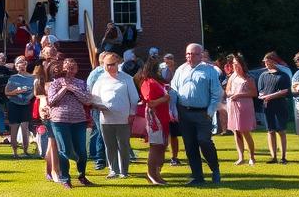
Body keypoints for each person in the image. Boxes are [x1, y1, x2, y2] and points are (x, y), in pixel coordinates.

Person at [168, 43, 223, 186]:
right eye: (187, 54)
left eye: (193, 54)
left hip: (203, 113)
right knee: (190, 145)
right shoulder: (181, 69)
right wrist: (172, 108)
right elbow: (174, 89)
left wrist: (210, 111)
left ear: (200, 55)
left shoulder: (210, 71)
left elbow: (216, 93)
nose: (189, 57)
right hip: (184, 113)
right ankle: (197, 176)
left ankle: (215, 170)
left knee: (204, 141)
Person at [90, 51, 139, 179]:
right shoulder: (100, 80)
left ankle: (124, 171)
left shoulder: (127, 79)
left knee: (123, 145)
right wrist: (98, 105)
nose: (109, 67)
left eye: (112, 64)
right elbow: (94, 97)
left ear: (118, 64)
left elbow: (134, 98)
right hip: (106, 118)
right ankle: (113, 170)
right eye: (106, 65)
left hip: (123, 118)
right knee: (109, 145)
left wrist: (132, 113)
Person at [45, 57, 92, 187]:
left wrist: (73, 89)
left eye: (72, 68)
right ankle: (65, 178)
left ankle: (82, 175)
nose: (69, 71)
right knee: (64, 150)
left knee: (82, 150)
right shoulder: (55, 83)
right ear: (62, 69)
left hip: (79, 120)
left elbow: (88, 100)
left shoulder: (81, 83)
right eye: (67, 68)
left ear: (76, 69)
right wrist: (64, 89)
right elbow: (52, 101)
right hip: (60, 120)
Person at [134, 56, 171, 185]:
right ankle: (151, 175)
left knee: (161, 147)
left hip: (162, 117)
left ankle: (157, 174)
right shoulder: (147, 82)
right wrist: (165, 98)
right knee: (155, 147)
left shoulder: (156, 81)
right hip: (155, 119)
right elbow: (150, 103)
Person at [256, 52, 291, 164]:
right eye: (265, 62)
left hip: (280, 105)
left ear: (274, 61)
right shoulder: (263, 75)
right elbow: (260, 91)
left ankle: (283, 157)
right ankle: (273, 157)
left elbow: (285, 91)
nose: (266, 64)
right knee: (270, 131)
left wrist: (270, 96)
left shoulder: (283, 75)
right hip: (267, 106)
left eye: (268, 61)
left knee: (281, 131)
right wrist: (264, 97)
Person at [224, 53, 256, 166]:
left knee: (245, 131)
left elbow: (254, 93)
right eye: (233, 64)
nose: (235, 66)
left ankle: (252, 156)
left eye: (237, 64)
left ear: (242, 64)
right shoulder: (232, 77)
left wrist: (240, 94)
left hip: (245, 106)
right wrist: (231, 93)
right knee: (236, 131)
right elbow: (227, 90)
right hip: (233, 106)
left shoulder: (248, 77)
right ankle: (241, 157)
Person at [5, 56, 36, 158]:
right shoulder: (12, 78)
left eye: (22, 63)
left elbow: (35, 91)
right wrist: (16, 92)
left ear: (26, 64)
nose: (21, 65)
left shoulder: (33, 78)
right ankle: (14, 152)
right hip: (14, 105)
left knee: (25, 127)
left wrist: (29, 97)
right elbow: (7, 93)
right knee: (14, 128)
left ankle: (25, 151)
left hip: (26, 105)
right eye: (18, 63)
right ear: (16, 66)